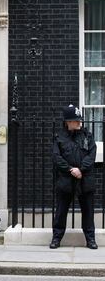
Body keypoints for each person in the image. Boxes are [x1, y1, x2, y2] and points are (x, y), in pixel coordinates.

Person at [50, 104, 97, 249]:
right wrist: (71, 169)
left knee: (88, 211)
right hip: (66, 179)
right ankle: (56, 238)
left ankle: (90, 239)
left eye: (79, 120)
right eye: (76, 120)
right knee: (61, 211)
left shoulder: (87, 136)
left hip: (85, 179)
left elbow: (92, 154)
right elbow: (56, 158)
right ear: (68, 122)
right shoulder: (59, 138)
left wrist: (81, 169)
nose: (79, 122)